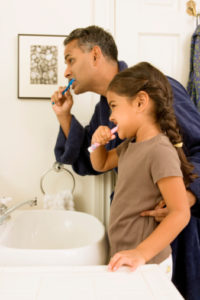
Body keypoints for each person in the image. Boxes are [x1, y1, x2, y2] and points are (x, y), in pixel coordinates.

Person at [51, 26, 200, 299]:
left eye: (70, 59)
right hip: (129, 237)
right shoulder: (105, 113)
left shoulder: (157, 90)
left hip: (167, 235)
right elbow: (92, 161)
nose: (66, 72)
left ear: (95, 54)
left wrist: (188, 196)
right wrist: (65, 117)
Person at [90, 62, 193, 275]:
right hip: (128, 256)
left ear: (140, 102)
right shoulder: (130, 145)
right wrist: (97, 143)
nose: (110, 116)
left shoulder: (160, 150)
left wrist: (141, 253)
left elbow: (180, 213)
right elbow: (100, 164)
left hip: (148, 263)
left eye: (114, 105)